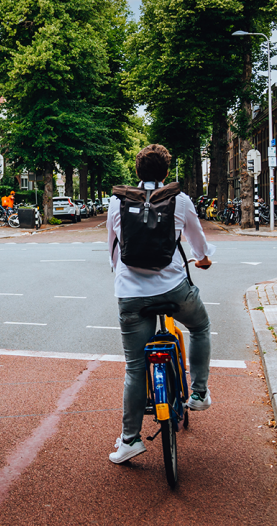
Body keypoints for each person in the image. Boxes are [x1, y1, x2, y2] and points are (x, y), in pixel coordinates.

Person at [106, 144, 214, 465]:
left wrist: (122, 277)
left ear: (137, 172)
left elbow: (113, 251)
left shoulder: (117, 202)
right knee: (200, 326)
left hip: (131, 296)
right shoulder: (179, 200)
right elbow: (197, 242)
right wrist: (203, 259)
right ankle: (198, 393)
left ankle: (130, 441)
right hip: (174, 290)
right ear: (166, 173)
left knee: (135, 367)